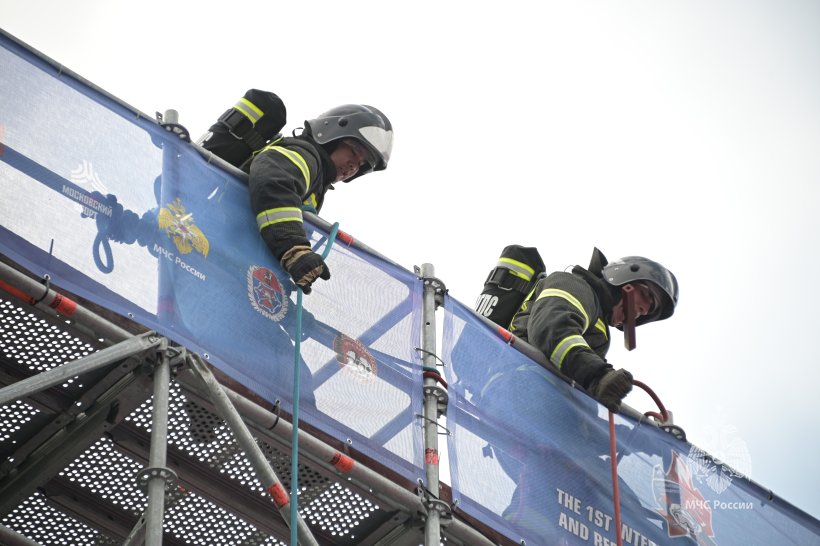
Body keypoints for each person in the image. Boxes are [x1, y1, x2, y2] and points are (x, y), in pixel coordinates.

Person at [507, 247, 679, 412]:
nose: (643, 310)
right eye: (646, 295)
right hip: (518, 390)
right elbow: (550, 329)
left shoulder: (599, 327)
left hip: (544, 407)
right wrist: (598, 376)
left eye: (648, 311)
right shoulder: (574, 285)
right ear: (624, 278)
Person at [246, 104, 393, 293]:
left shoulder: (316, 186)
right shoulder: (304, 155)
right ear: (332, 137)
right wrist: (294, 250)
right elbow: (272, 180)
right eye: (355, 152)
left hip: (248, 268)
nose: (354, 166)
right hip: (226, 251)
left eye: (361, 163)